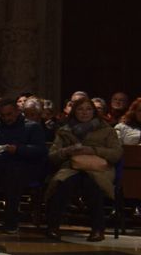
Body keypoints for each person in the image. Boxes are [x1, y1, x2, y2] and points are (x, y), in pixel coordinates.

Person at [44, 97, 121, 242]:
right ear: (74, 112)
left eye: (88, 109)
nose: (84, 112)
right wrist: (67, 151)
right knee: (63, 183)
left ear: (94, 112)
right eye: (80, 109)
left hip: (98, 169)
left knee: (92, 185)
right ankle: (52, 227)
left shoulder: (107, 130)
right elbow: (52, 156)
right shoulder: (64, 131)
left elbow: (116, 154)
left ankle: (98, 229)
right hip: (71, 167)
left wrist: (93, 150)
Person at [0, 96, 48, 233]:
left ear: (17, 111)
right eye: (3, 115)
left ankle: (11, 220)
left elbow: (40, 150)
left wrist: (18, 149)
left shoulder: (32, 127)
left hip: (24, 167)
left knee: (13, 174)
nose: (6, 118)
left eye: (9, 114)